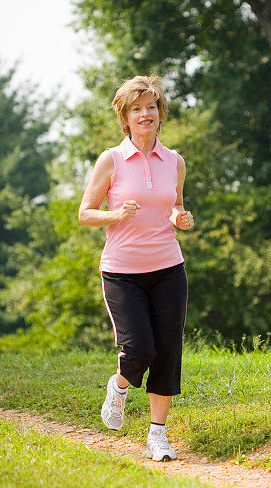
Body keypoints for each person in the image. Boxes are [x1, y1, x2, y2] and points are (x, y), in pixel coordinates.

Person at [78, 75, 194, 461]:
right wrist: (115, 214)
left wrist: (179, 215)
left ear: (160, 114)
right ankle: (120, 386)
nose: (145, 114)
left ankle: (157, 436)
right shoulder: (111, 159)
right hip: (122, 272)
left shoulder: (174, 161)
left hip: (168, 268)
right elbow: (85, 213)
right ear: (125, 118)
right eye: (136, 109)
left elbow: (174, 203)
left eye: (151, 107)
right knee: (140, 348)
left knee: (168, 352)